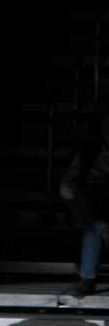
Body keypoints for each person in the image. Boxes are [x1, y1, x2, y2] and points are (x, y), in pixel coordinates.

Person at [59, 111, 109, 297]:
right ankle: (101, 227)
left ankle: (87, 278)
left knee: (94, 226)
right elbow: (67, 187)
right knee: (93, 227)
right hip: (94, 204)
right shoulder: (90, 151)